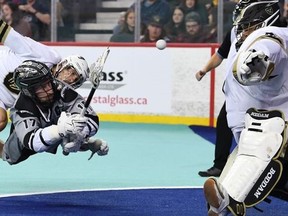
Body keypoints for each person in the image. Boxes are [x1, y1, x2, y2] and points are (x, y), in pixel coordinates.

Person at [203, 1, 288, 215]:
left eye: (248, 26)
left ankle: (224, 205)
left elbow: (270, 46)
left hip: (269, 124)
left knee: (256, 170)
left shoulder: (270, 34)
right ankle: (223, 205)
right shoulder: (242, 38)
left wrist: (258, 60)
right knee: (242, 174)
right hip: (253, 121)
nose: (242, 32)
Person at [0, 60, 108, 165]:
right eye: (41, 87)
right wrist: (60, 130)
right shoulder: (21, 108)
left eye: (48, 82)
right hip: (27, 142)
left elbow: (92, 120)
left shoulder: (61, 89)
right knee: (8, 156)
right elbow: (33, 142)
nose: (49, 89)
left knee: (71, 127)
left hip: (54, 127)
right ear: (29, 91)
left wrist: (80, 134)